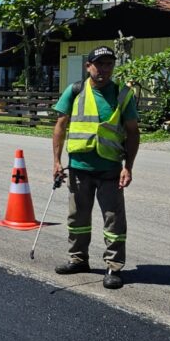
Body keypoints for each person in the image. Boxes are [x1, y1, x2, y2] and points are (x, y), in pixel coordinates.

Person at [51, 46, 140, 289]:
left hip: (110, 168)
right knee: (77, 218)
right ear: (88, 66)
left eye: (109, 64)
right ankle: (78, 259)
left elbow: (133, 133)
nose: (104, 69)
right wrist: (57, 161)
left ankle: (113, 267)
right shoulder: (75, 91)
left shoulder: (123, 94)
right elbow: (60, 126)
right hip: (79, 168)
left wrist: (128, 167)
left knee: (113, 221)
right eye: (98, 64)